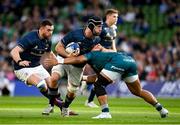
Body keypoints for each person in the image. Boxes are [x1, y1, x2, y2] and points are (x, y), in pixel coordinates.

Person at [43, 51, 169, 119]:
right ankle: (161, 109)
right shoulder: (103, 57)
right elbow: (101, 77)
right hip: (129, 61)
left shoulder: (91, 54)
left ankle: (105, 113)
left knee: (99, 85)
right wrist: (83, 78)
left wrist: (59, 61)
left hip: (119, 62)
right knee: (138, 91)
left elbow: (78, 60)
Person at [44, 16, 103, 117]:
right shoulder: (75, 33)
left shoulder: (97, 40)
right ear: (91, 26)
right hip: (63, 61)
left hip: (78, 67)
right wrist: (68, 56)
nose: (100, 29)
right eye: (98, 26)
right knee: (53, 79)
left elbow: (90, 57)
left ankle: (65, 107)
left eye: (101, 27)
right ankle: (51, 104)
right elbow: (58, 47)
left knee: (71, 92)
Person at [10, 19, 64, 115]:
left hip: (37, 66)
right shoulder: (30, 38)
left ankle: (61, 108)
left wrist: (56, 61)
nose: (51, 33)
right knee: (42, 85)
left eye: (52, 30)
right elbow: (14, 51)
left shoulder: (47, 41)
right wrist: (20, 61)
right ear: (42, 28)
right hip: (23, 68)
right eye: (48, 30)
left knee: (52, 84)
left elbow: (49, 52)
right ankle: (62, 106)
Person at [83, 9, 119, 108]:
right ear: (108, 16)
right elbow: (94, 42)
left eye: (117, 17)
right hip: (100, 55)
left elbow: (113, 42)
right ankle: (89, 99)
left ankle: (85, 83)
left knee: (103, 79)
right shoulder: (101, 28)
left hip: (109, 55)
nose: (116, 19)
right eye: (114, 16)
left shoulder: (114, 29)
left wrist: (114, 53)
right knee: (105, 79)